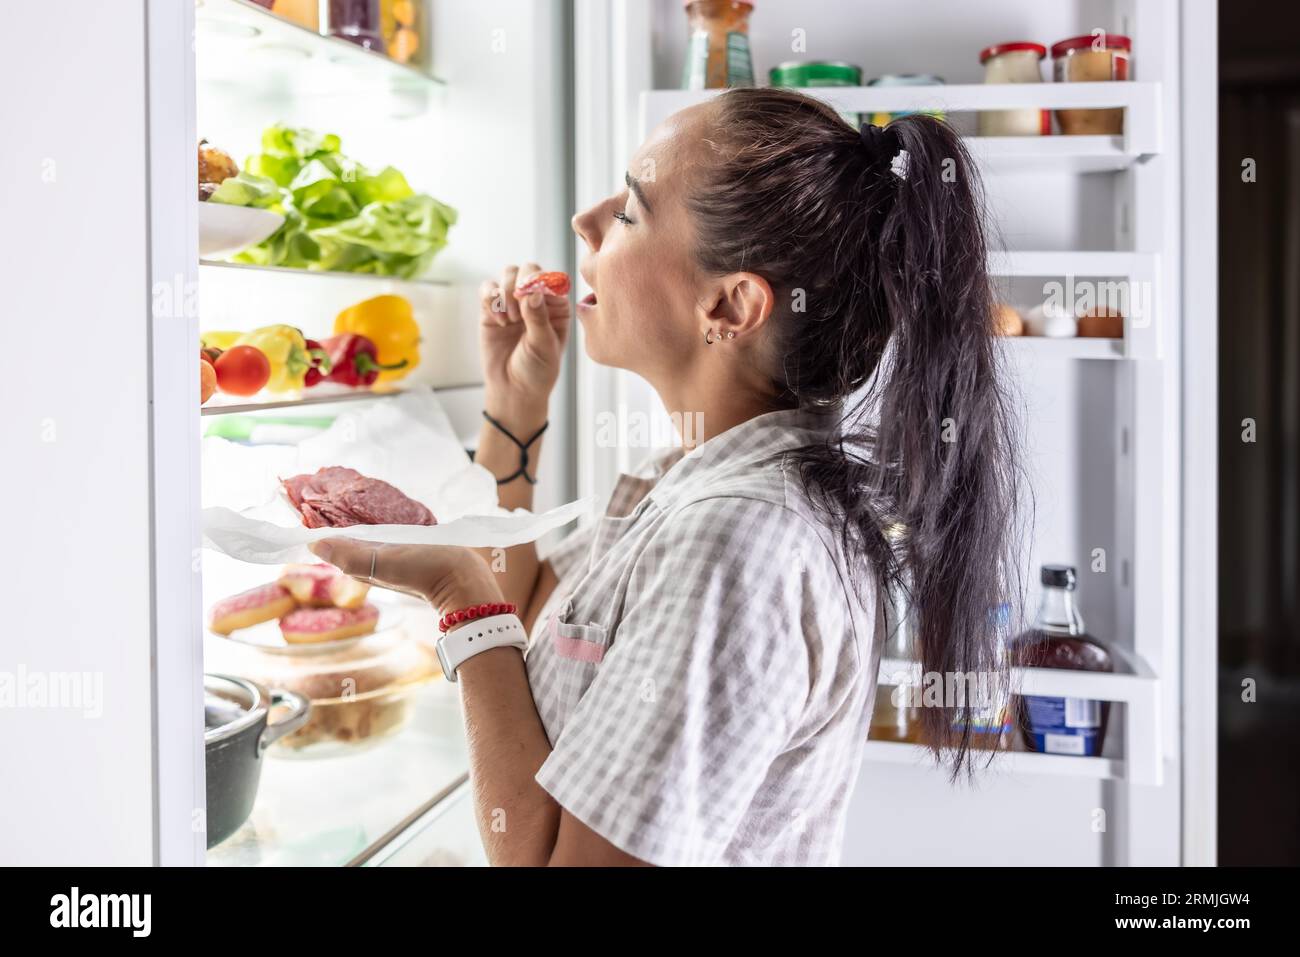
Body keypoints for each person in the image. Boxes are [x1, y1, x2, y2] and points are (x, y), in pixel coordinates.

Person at [311, 88, 1019, 866]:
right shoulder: (689, 472)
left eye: (630, 212)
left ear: (730, 304)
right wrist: (516, 410)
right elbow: (532, 617)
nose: (587, 220)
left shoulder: (739, 538)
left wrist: (455, 593)